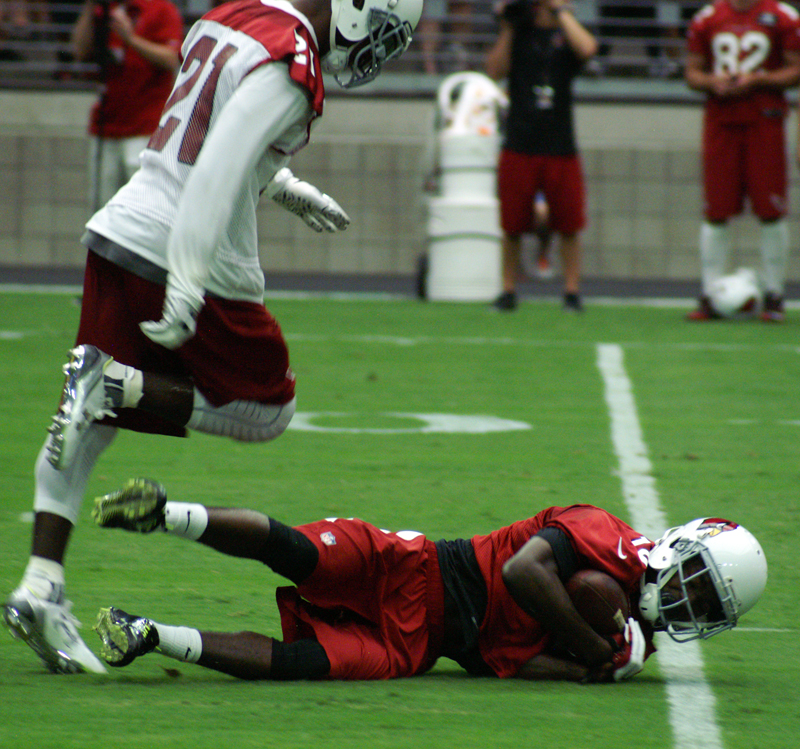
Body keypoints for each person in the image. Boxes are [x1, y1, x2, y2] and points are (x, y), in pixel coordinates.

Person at [3, 0, 423, 675]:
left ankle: (40, 585)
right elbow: (220, 163)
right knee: (267, 409)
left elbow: (204, 128)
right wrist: (190, 276)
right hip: (184, 248)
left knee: (91, 424)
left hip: (121, 228)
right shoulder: (294, 59)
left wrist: (281, 185)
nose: (377, 47)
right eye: (382, 30)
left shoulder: (240, 12)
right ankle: (115, 384)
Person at [88, 478, 767, 681]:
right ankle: (164, 513)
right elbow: (522, 572)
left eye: (706, 604)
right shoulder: (604, 533)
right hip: (421, 567)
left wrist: (589, 670)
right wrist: (594, 650)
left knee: (302, 663)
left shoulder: (629, 638)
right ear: (682, 546)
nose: (688, 599)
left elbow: (510, 664)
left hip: (422, 647)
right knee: (300, 553)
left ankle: (151, 634)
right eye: (696, 580)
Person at [685, 0, 800, 323]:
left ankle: (774, 295)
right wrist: (712, 82)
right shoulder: (708, 18)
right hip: (721, 121)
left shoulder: (782, 16)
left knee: (771, 210)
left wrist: (757, 79)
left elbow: (796, 69)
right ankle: (710, 293)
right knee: (716, 211)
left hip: (765, 120)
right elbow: (692, 73)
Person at [485, 0, 597, 312]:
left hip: (560, 143)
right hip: (520, 141)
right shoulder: (520, 34)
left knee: (569, 224)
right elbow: (494, 71)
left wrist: (561, 11)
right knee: (512, 225)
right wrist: (508, 27)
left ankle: (571, 291)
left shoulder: (566, 36)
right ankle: (508, 290)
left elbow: (588, 48)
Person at [72, 0, 185, 213]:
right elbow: (79, 50)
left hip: (145, 128)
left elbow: (171, 59)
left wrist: (130, 39)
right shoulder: (104, 9)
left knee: (141, 208)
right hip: (106, 126)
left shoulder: (161, 9)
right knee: (101, 208)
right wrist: (89, 8)